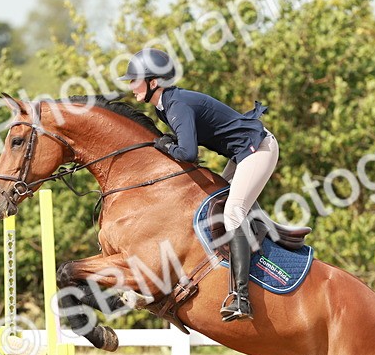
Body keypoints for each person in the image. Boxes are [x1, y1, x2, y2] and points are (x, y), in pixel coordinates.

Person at [119, 48, 279, 322]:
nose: (132, 85)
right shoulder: (164, 108)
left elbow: (188, 154)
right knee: (207, 205)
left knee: (232, 212)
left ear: (153, 82)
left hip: (258, 148)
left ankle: (242, 299)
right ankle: (257, 228)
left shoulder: (176, 105)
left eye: (136, 80)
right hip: (242, 153)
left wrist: (168, 144)